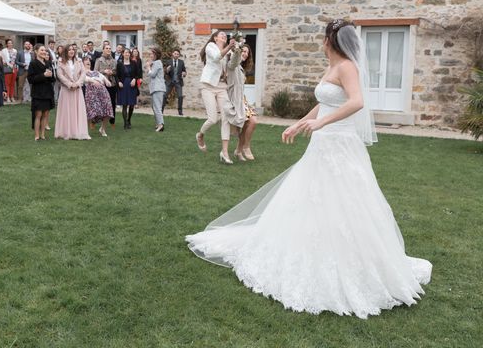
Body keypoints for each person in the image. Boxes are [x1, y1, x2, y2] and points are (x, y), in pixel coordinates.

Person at [187, 19, 432, 319]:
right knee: (309, 198)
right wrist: (301, 121)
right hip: (321, 143)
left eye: (325, 37)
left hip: (340, 144)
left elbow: (356, 102)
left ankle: (352, 262)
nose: (322, 41)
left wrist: (321, 123)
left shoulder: (347, 67)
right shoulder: (331, 67)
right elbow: (323, 103)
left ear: (333, 40)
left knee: (344, 201)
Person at [196, 31, 236, 164]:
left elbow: (231, 64)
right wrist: (229, 47)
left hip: (221, 86)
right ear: (215, 38)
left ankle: (224, 152)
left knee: (226, 118)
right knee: (213, 119)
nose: (224, 36)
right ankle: (200, 135)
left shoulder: (227, 52)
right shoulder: (210, 47)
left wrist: (237, 51)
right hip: (207, 85)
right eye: (221, 34)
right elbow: (217, 57)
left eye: (226, 35)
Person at [55, 44, 90, 140]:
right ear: (65, 51)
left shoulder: (79, 61)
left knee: (77, 109)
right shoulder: (61, 61)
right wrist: (70, 84)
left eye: (73, 49)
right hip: (66, 89)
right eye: (69, 50)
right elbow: (60, 75)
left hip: (77, 89)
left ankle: (78, 132)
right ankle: (66, 132)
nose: (71, 51)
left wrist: (77, 84)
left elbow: (83, 73)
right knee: (67, 110)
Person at [28, 44, 55, 141]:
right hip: (38, 92)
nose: (44, 52)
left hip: (48, 92)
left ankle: (43, 135)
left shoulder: (48, 63)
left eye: (45, 50)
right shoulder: (33, 63)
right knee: (38, 114)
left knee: (45, 114)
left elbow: (53, 79)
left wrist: (51, 75)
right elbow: (30, 79)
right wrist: (43, 75)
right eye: (41, 50)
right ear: (36, 51)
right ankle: (36, 135)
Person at [82, 57, 113, 137]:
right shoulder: (82, 72)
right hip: (91, 93)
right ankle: (86, 132)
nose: (88, 62)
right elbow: (84, 79)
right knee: (90, 112)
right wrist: (92, 81)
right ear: (82, 63)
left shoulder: (95, 72)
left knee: (108, 109)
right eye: (86, 61)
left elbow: (102, 76)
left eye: (89, 61)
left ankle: (102, 129)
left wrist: (107, 81)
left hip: (102, 91)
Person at [94, 44, 117, 126]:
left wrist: (112, 72)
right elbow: (95, 72)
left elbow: (116, 71)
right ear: (103, 50)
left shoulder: (114, 60)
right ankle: (97, 120)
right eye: (107, 48)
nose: (108, 50)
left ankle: (112, 121)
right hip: (102, 84)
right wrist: (104, 71)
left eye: (110, 48)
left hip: (112, 84)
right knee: (101, 103)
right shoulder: (98, 60)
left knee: (112, 103)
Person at [116, 48, 139, 129]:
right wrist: (118, 82)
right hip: (123, 85)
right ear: (123, 54)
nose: (127, 54)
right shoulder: (119, 64)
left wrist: (134, 79)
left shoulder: (134, 63)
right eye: (126, 52)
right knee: (125, 105)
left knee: (132, 104)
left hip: (132, 85)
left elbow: (137, 74)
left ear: (130, 54)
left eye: (128, 53)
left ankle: (129, 120)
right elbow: (117, 75)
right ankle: (125, 123)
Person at [145, 47, 165, 132]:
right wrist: (149, 66)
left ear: (156, 55)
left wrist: (149, 67)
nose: (150, 55)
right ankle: (158, 123)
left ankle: (161, 124)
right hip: (155, 88)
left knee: (157, 107)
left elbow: (152, 74)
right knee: (154, 107)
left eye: (151, 54)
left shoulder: (157, 63)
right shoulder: (155, 63)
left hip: (158, 88)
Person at [164, 48, 186, 115]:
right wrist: (167, 70)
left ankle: (180, 111)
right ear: (173, 54)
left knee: (180, 96)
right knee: (164, 95)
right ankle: (161, 110)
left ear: (179, 55)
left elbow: (184, 71)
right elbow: (166, 73)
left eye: (177, 54)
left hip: (178, 81)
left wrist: (184, 73)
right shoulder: (169, 62)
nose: (176, 55)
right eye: (175, 54)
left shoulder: (181, 62)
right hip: (170, 81)